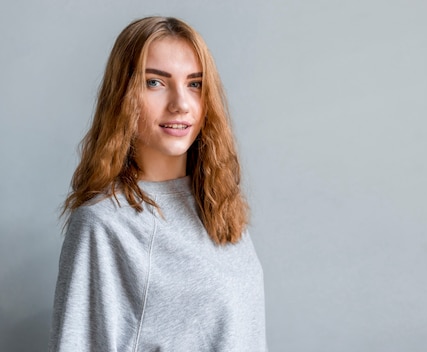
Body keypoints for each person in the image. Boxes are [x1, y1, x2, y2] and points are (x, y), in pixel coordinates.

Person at [49, 16, 267, 351]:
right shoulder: (104, 224)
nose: (181, 104)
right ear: (123, 95)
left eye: (195, 84)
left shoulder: (219, 204)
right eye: (155, 83)